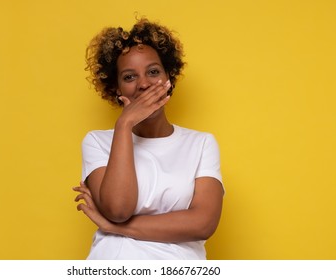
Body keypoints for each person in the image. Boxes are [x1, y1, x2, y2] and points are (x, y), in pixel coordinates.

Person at [73, 18, 224, 260]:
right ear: (116, 89)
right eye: (130, 77)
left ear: (168, 79)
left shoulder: (201, 144)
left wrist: (114, 228)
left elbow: (203, 223)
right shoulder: (97, 142)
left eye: (153, 72)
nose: (144, 84)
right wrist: (124, 125)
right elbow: (118, 209)